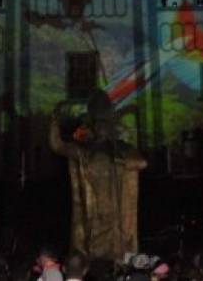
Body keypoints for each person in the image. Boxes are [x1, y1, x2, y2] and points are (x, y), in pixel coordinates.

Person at [49, 95, 147, 262]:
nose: (101, 129)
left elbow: (142, 162)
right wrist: (54, 121)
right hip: (92, 210)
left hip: (117, 211)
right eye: (98, 125)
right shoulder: (84, 151)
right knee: (92, 244)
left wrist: (120, 160)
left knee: (117, 246)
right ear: (92, 127)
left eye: (105, 125)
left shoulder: (122, 149)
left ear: (111, 127)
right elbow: (58, 146)